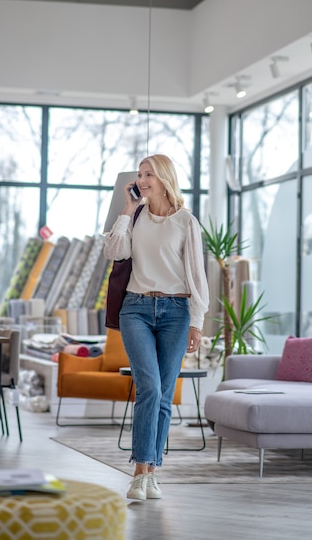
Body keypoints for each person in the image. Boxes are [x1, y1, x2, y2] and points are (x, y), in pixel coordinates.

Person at [103, 154, 209, 501]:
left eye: (148, 174)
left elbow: (196, 274)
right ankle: (138, 472)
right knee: (149, 385)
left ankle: (152, 473)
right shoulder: (134, 217)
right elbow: (114, 252)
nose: (142, 179)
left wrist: (197, 321)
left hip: (177, 311)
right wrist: (125, 210)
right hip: (135, 308)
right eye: (140, 174)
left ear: (165, 178)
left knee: (163, 393)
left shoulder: (185, 221)